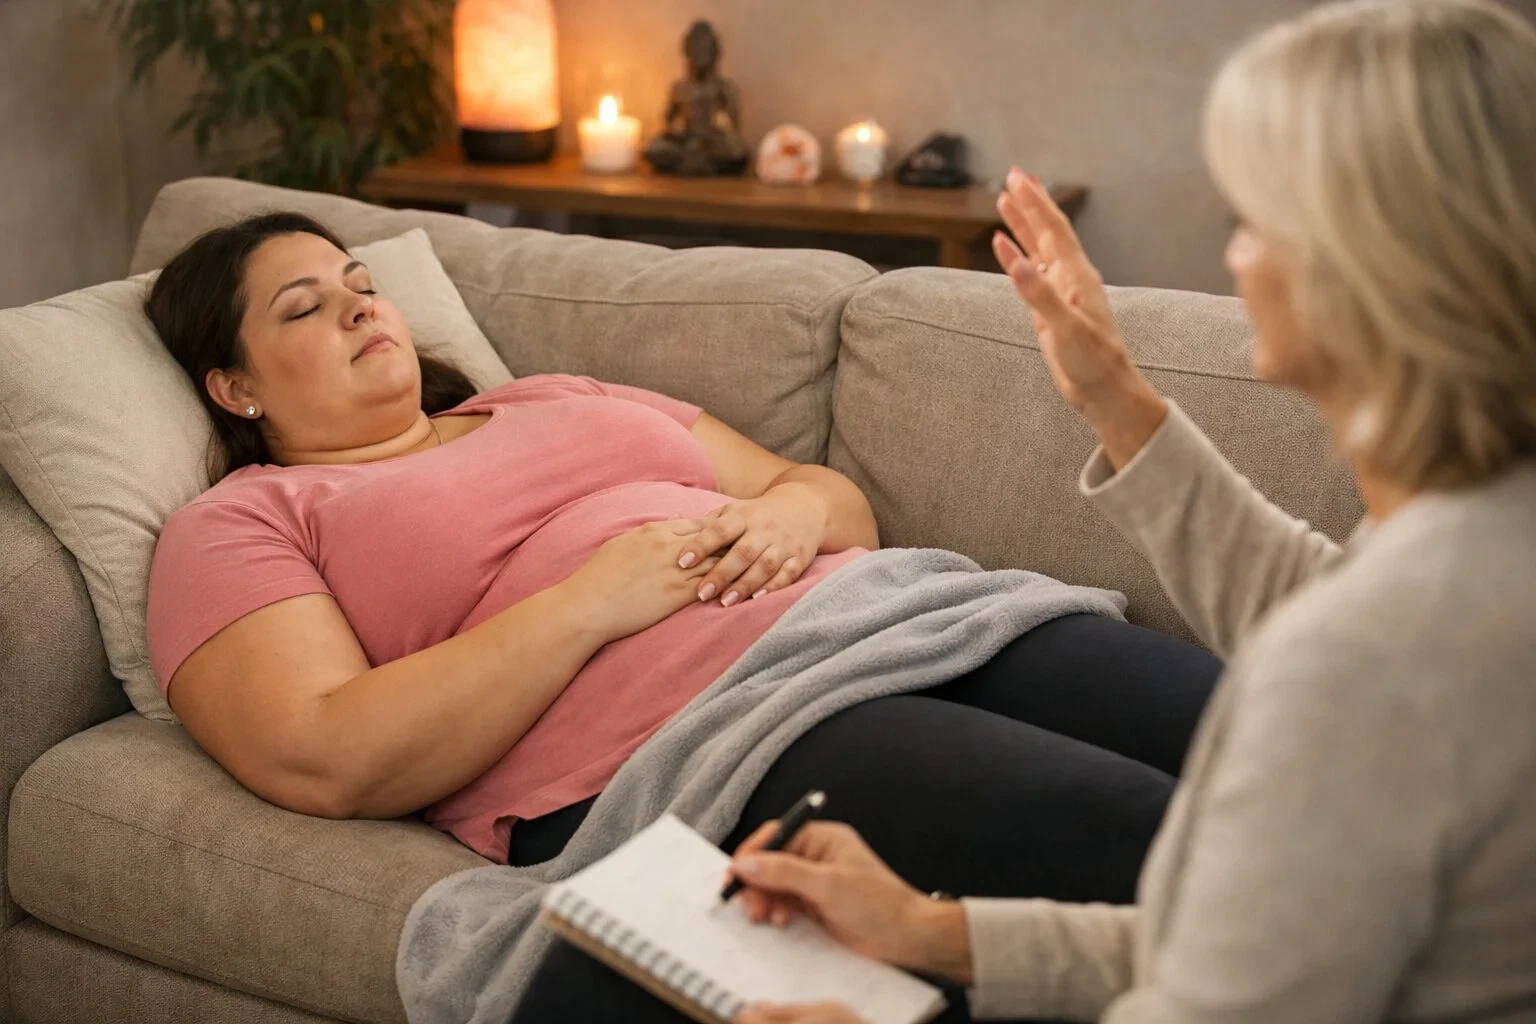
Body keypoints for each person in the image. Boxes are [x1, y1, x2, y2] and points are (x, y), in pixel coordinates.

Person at [676, 1, 1536, 1022]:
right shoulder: (1471, 534)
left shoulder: (1369, 661)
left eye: (1256, 222)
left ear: (1371, 265)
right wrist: (928, 930)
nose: (1236, 260)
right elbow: (1249, 923)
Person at [143, 213, 1222, 946]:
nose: (359, 309)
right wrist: (587, 602)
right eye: (303, 307)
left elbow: (823, 493)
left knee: (1258, 735)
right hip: (717, 730)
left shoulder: (552, 397)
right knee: (1147, 831)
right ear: (233, 385)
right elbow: (325, 755)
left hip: (899, 615)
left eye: (362, 286)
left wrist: (790, 513)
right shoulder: (242, 522)